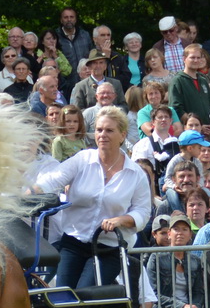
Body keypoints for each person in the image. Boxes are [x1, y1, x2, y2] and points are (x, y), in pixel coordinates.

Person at [34, 108, 153, 291]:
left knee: (85, 296)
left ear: (122, 135)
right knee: (63, 295)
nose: (102, 135)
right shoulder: (82, 159)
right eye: (99, 130)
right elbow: (52, 179)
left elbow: (143, 212)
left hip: (109, 248)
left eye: (109, 130)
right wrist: (30, 192)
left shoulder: (136, 174)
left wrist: (121, 220)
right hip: (73, 242)